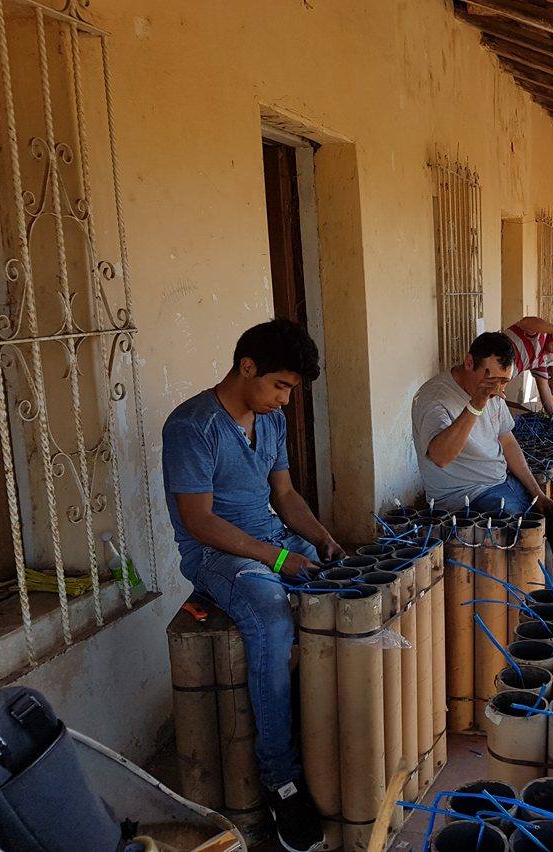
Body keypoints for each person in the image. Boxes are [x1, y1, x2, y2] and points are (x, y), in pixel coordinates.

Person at [162, 319, 338, 852]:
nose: (284, 400)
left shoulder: (271, 421)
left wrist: (323, 540)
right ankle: (280, 777)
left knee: (339, 583)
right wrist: (279, 557)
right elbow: (199, 521)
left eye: (291, 389)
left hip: (269, 537)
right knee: (270, 616)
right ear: (247, 367)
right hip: (217, 556)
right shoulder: (192, 426)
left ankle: (319, 730)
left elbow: (285, 497)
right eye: (280, 386)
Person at [412, 331, 553, 516]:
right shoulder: (434, 398)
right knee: (523, 528)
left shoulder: (494, 391)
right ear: (469, 363)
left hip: (500, 482)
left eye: (504, 381)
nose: (498, 389)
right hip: (464, 498)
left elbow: (507, 441)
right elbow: (441, 457)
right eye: (493, 381)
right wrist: (475, 406)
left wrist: (537, 493)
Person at [503, 316, 553, 416]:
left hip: (494, 384)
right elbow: (527, 322)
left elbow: (545, 389)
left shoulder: (540, 361)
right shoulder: (538, 333)